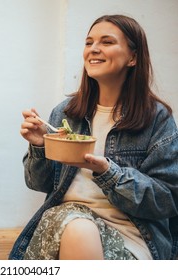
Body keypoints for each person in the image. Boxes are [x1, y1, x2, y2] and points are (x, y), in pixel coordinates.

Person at [10, 14, 178, 260]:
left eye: (107, 42)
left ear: (133, 57)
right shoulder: (65, 113)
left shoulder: (157, 119)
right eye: (89, 42)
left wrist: (108, 173)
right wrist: (38, 145)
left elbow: (168, 198)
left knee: (77, 229)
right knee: (76, 224)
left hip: (130, 239)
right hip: (64, 226)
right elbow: (38, 184)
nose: (94, 49)